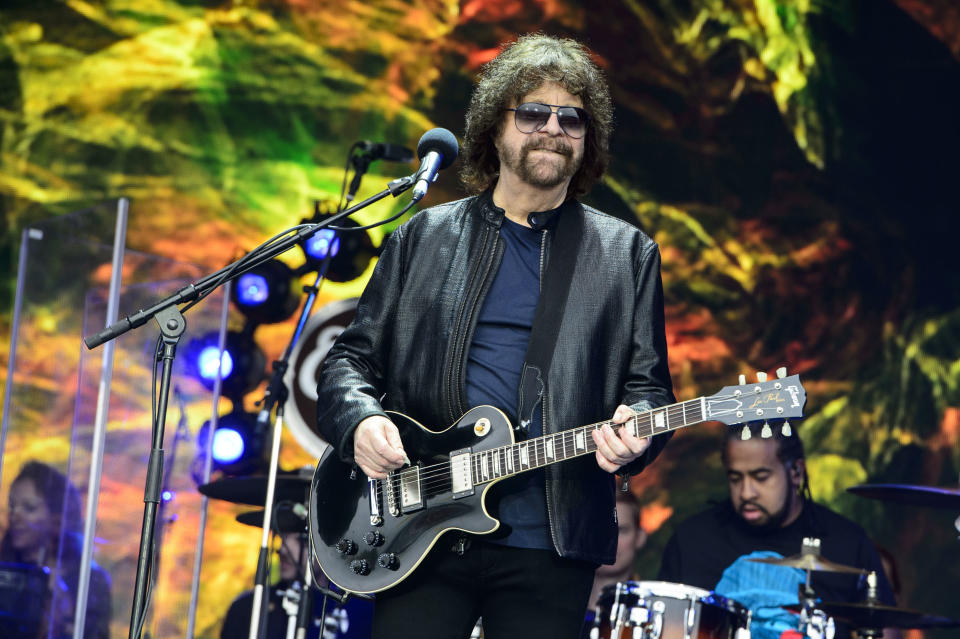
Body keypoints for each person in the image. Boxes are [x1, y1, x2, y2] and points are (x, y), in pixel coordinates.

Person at [315, 33, 675, 639]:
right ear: (494, 128)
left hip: (551, 540)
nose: (553, 128)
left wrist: (636, 432)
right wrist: (359, 422)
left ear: (589, 141)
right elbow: (348, 362)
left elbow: (650, 389)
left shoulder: (625, 255)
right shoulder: (424, 236)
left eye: (572, 118)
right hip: (417, 523)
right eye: (533, 112)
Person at [658, 424, 897, 639]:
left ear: (796, 472)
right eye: (735, 478)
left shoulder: (845, 541)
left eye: (761, 477)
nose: (746, 493)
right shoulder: (693, 540)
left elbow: (886, 631)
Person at [0, 461, 112, 639]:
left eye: (30, 508)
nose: (16, 516)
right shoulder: (5, 567)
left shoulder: (89, 581)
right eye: (12, 506)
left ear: (57, 517)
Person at [221, 529, 373, 639]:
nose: (283, 549)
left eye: (301, 540)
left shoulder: (362, 609)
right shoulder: (249, 607)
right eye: (283, 536)